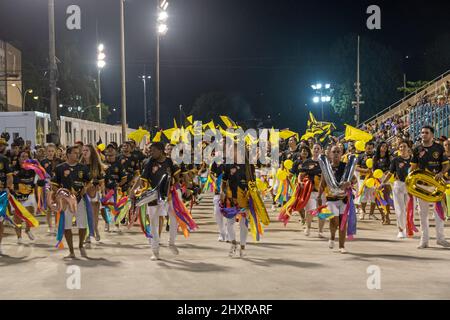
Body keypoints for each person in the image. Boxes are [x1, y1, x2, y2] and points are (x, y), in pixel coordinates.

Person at [132, 142, 178, 261]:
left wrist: (174, 189)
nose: (150, 152)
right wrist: (138, 191)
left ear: (161, 150)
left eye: (153, 150)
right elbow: (142, 179)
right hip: (153, 196)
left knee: (174, 219)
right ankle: (155, 251)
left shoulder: (170, 162)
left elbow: (177, 178)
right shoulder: (148, 162)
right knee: (153, 223)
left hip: (169, 195)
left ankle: (171, 243)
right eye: (149, 150)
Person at [410, 126, 450, 249]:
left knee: (439, 213)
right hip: (422, 187)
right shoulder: (416, 149)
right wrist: (411, 181)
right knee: (423, 214)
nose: (423, 134)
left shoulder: (439, 148)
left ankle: (441, 239)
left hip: (437, 186)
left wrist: (441, 173)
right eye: (422, 132)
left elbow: (446, 165)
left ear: (432, 134)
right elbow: (413, 168)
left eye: (426, 133)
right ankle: (424, 240)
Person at [51, 146, 92, 259]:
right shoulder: (59, 168)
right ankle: (71, 251)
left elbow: (89, 181)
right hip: (65, 201)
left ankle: (80, 245)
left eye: (78, 153)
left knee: (83, 224)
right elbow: (53, 185)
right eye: (75, 153)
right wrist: (60, 193)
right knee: (66, 226)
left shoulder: (83, 168)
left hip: (79, 200)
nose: (77, 155)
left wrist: (85, 188)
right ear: (68, 154)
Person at [318, 145, 355, 254]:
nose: (336, 154)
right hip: (330, 199)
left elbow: (354, 180)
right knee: (333, 220)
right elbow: (322, 183)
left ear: (341, 154)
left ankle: (341, 246)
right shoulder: (327, 167)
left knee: (343, 222)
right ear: (330, 154)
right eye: (334, 152)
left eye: (338, 152)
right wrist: (319, 196)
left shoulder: (346, 166)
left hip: (344, 199)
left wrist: (350, 183)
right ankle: (332, 236)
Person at [383, 141, 411, 239]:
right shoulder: (396, 160)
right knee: (399, 209)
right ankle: (401, 230)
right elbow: (390, 173)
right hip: (398, 185)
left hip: (410, 187)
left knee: (409, 209)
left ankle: (408, 227)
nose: (402, 148)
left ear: (408, 148)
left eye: (404, 146)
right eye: (400, 147)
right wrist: (383, 182)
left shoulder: (413, 160)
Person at [11, 150, 39, 243]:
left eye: (26, 156)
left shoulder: (32, 169)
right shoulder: (13, 169)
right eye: (22, 156)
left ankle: (28, 229)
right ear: (18, 158)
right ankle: (19, 237)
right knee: (17, 217)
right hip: (16, 196)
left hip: (29, 194)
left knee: (30, 213)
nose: (25, 158)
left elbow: (36, 183)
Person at [80, 144, 105, 243]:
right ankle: (88, 234)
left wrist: (102, 191)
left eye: (87, 150)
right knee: (85, 215)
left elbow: (101, 181)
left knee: (94, 215)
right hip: (83, 193)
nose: (84, 152)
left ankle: (95, 230)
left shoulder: (97, 165)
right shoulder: (80, 165)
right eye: (83, 150)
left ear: (92, 153)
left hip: (94, 192)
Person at [103, 144, 127, 232]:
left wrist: (118, 185)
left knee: (117, 207)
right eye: (108, 151)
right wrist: (103, 188)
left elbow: (124, 178)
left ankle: (117, 224)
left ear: (115, 152)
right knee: (106, 208)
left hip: (116, 190)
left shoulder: (119, 164)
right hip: (105, 190)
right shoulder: (102, 163)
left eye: (112, 150)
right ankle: (107, 224)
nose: (110, 152)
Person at [40, 143, 63, 234]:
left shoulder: (59, 161)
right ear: (46, 152)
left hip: (57, 185)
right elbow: (41, 175)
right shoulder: (43, 162)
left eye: (52, 151)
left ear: (55, 151)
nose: (50, 153)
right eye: (49, 151)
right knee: (49, 207)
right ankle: (50, 226)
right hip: (47, 185)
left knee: (57, 205)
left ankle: (57, 225)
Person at [356, 141, 377, 220]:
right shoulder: (360, 156)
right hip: (363, 179)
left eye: (371, 148)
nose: (369, 150)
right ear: (364, 148)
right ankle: (363, 212)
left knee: (374, 196)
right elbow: (356, 167)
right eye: (368, 148)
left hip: (374, 179)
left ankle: (371, 214)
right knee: (363, 196)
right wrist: (365, 170)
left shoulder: (376, 156)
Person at [373, 141, 392, 225]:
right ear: (379, 147)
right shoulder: (375, 158)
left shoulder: (389, 158)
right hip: (377, 179)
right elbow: (373, 169)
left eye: (386, 146)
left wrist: (386, 172)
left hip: (386, 179)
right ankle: (382, 216)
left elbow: (391, 169)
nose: (384, 148)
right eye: (383, 146)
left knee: (386, 198)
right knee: (377, 199)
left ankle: (387, 216)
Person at [0, 153, 14, 255]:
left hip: (1, 194)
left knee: (0, 222)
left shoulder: (3, 159)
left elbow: (9, 177)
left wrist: (8, 189)